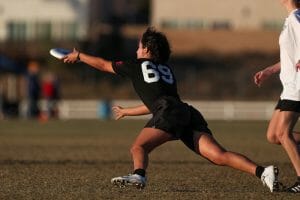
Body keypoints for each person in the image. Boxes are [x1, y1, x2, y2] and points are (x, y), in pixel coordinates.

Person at [64, 27, 278, 192]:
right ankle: (262, 172)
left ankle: (138, 174)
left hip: (169, 112)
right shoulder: (166, 69)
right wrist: (127, 111)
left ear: (147, 49)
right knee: (219, 155)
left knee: (138, 147)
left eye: (139, 46)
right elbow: (159, 103)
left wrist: (80, 56)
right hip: (185, 112)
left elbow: (102, 64)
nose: (137, 50)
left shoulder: (135, 65)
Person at [253, 0, 300, 193]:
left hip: (297, 86)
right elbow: (289, 55)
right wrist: (269, 70)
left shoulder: (297, 16)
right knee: (273, 135)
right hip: (288, 86)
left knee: (283, 133)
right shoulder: (290, 19)